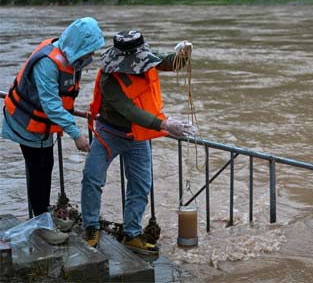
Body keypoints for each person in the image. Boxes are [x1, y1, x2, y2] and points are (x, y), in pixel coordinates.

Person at [81, 30, 195, 254]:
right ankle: (90, 228)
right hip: (109, 133)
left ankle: (131, 234)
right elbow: (129, 110)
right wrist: (165, 124)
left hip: (138, 136)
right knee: (92, 178)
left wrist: (184, 53)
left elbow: (170, 63)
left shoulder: (146, 58)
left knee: (141, 186)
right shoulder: (109, 77)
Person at [2, 17, 105, 244]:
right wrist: (76, 134)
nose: (90, 58)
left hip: (43, 127)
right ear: (77, 46)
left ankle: (44, 218)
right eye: (88, 52)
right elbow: (51, 106)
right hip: (26, 124)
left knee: (45, 167)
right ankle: (41, 225)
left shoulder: (69, 57)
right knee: (38, 171)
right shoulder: (48, 63)